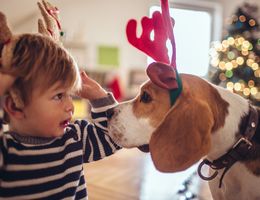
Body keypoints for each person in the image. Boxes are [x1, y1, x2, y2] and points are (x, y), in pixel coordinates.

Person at [0, 10, 121, 200]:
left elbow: (114, 136)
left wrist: (99, 97)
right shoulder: (6, 152)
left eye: (69, 94)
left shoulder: (74, 138)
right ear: (15, 106)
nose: (70, 106)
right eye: (58, 96)